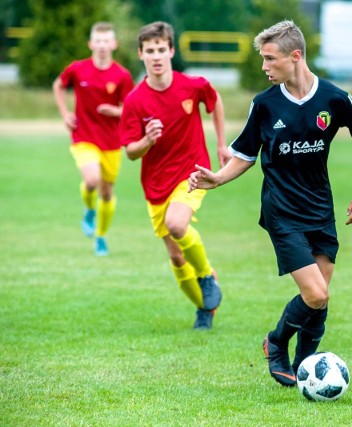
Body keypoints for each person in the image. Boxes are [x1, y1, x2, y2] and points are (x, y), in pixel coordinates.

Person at [188, 20, 352, 386]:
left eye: (269, 58)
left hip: (321, 210)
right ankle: (276, 343)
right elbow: (244, 154)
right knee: (316, 292)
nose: (264, 66)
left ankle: (305, 365)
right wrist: (217, 178)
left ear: (295, 57)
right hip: (283, 213)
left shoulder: (334, 99)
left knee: (319, 301)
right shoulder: (264, 104)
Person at [119, 21, 230, 330]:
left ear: (171, 51)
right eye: (150, 51)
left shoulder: (192, 86)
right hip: (155, 185)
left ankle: (207, 275)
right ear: (141, 54)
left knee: (177, 223)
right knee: (177, 257)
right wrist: (147, 140)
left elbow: (215, 101)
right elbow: (130, 152)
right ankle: (204, 308)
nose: (156, 56)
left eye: (161, 50)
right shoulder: (135, 101)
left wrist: (221, 143)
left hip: (192, 171)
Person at [53, 22, 135, 256]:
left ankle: (101, 236)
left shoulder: (121, 75)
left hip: (111, 141)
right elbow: (58, 85)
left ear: (114, 44)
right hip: (83, 136)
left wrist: (114, 111)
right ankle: (89, 210)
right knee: (92, 180)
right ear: (90, 44)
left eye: (106, 40)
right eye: (97, 41)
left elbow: (130, 109)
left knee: (107, 193)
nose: (102, 45)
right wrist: (64, 113)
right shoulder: (78, 69)